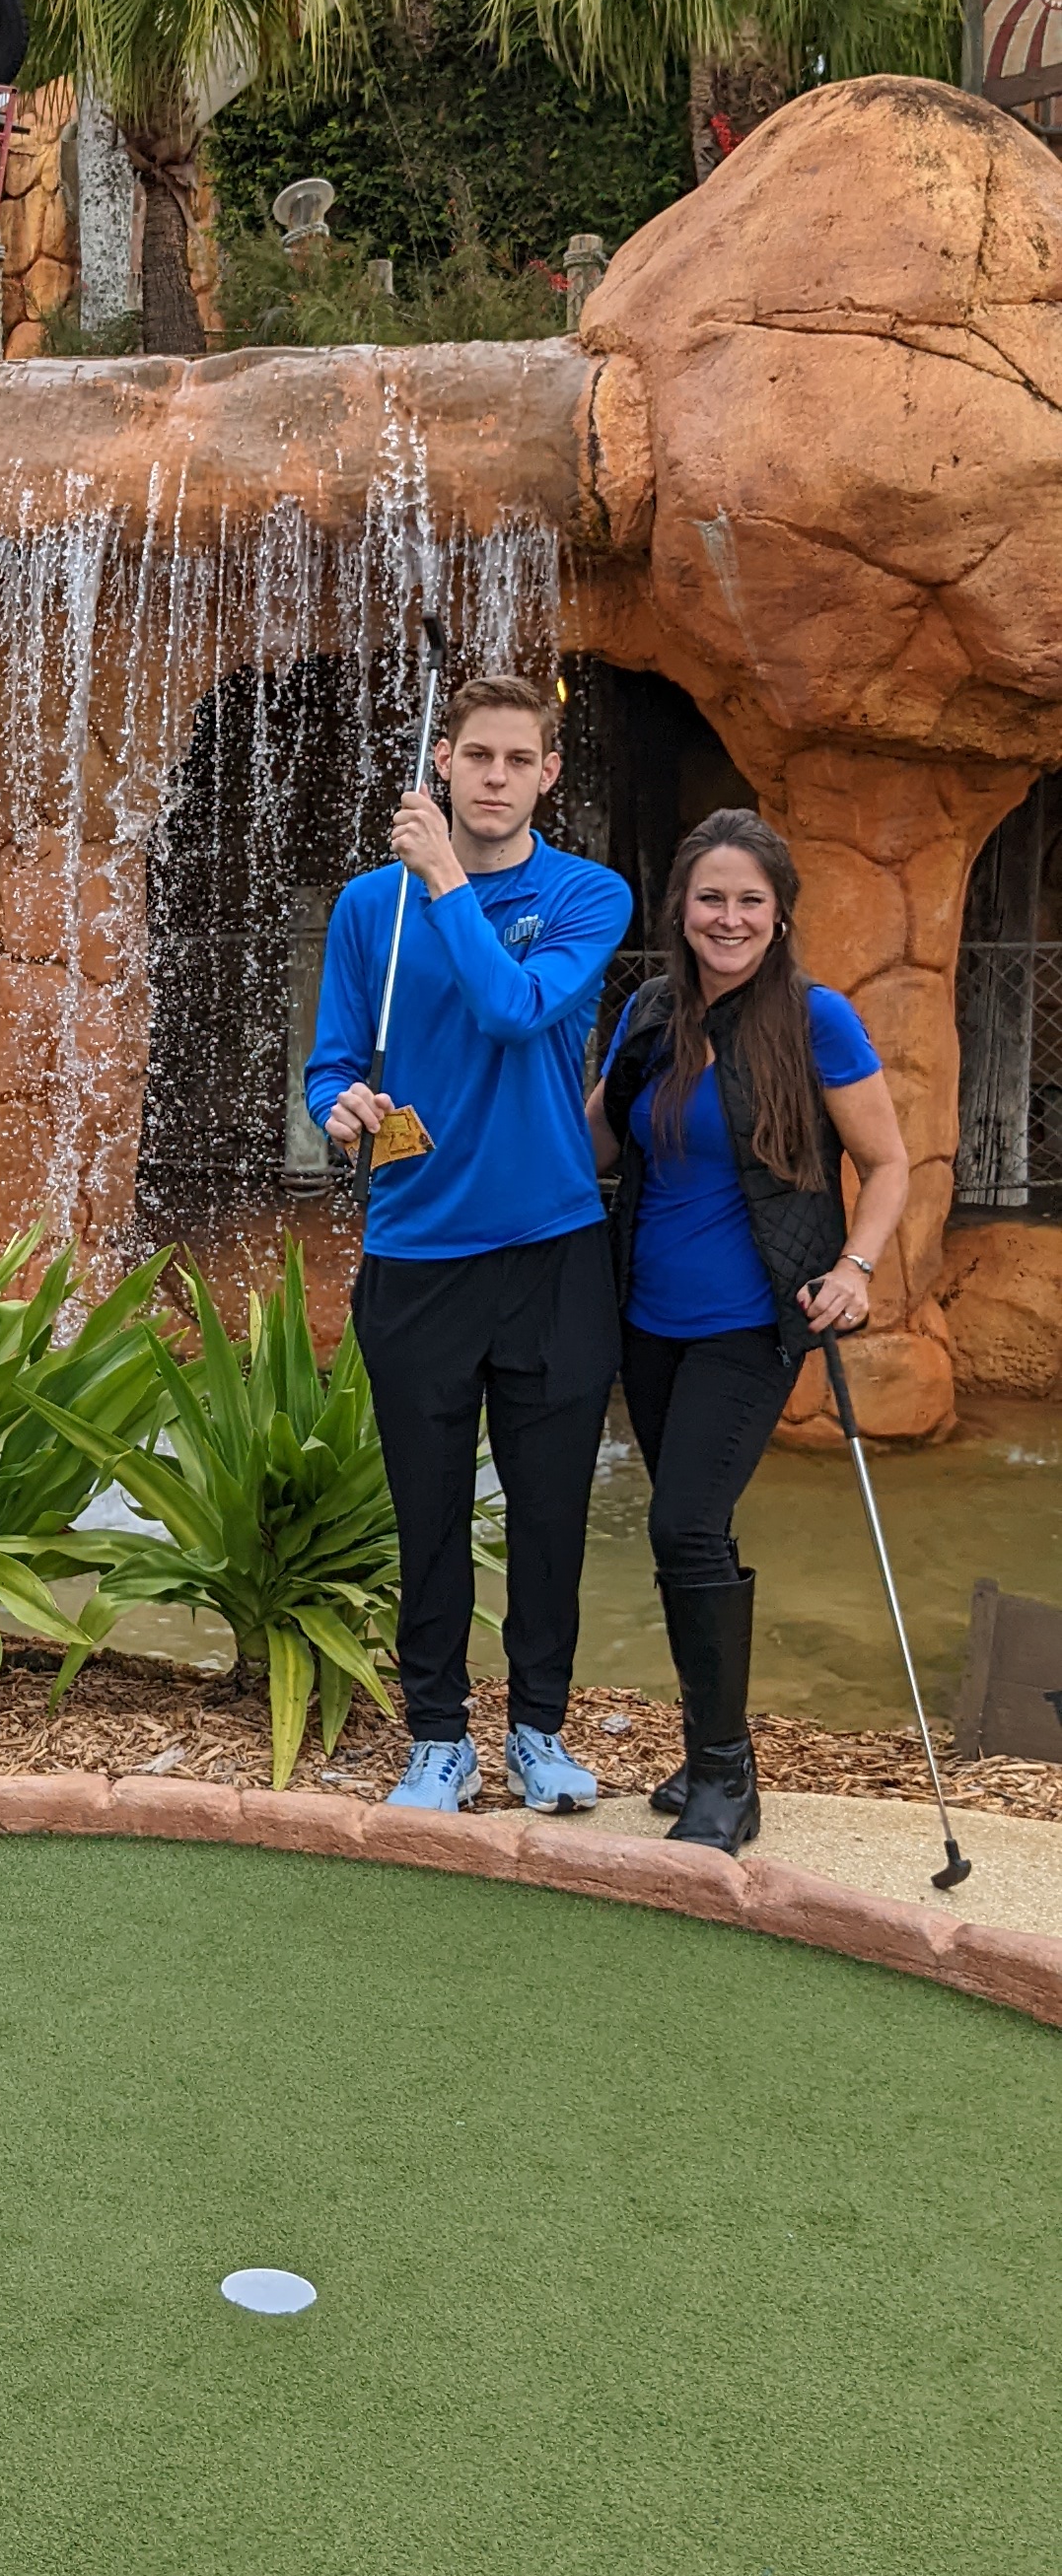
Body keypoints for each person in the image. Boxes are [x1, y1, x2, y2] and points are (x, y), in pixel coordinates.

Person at [308, 674, 633, 1817]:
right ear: (440, 761)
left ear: (549, 774)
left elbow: (514, 1010)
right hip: (417, 1254)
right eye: (476, 756)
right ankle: (438, 1739)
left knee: (549, 1513)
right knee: (430, 1509)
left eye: (518, 760)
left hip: (552, 1252)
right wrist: (339, 1106)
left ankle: (539, 1730)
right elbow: (332, 1060)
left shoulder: (588, 894)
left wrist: (446, 878)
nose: (495, 778)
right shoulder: (368, 908)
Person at [588, 810, 910, 1855]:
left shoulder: (817, 1021)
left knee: (682, 1526)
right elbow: (593, 1139)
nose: (728, 918)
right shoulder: (650, 1014)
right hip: (648, 1321)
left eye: (749, 901)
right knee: (697, 1531)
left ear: (779, 915)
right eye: (710, 898)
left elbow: (888, 1165)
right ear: (681, 909)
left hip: (753, 1320)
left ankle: (727, 1775)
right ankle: (709, 1756)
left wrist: (856, 1269)